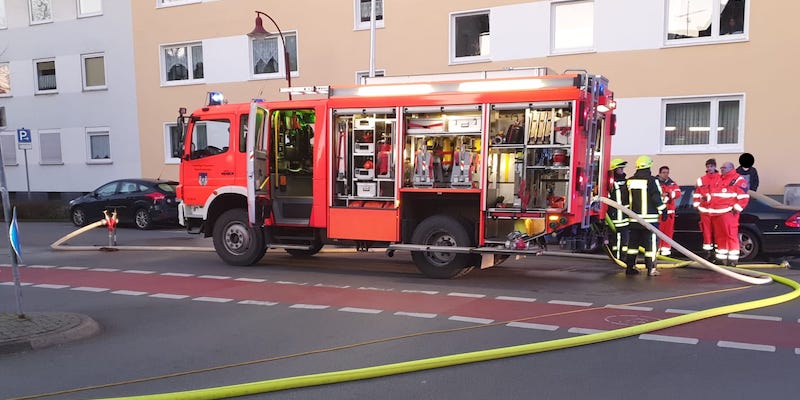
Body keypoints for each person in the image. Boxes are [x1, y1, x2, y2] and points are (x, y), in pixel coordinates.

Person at [624, 156, 666, 276]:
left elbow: (625, 200)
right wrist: (663, 211)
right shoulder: (652, 181)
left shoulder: (629, 181)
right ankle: (651, 269)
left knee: (632, 245)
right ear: (649, 166)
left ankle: (630, 267)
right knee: (651, 245)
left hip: (634, 220)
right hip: (650, 221)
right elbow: (656, 197)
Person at [708, 161, 749, 266]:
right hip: (717, 213)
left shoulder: (738, 180)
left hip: (729, 213)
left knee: (731, 236)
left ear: (731, 168)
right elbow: (715, 196)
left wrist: (736, 209)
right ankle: (721, 259)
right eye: (721, 168)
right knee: (720, 237)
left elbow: (743, 198)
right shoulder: (719, 179)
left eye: (724, 168)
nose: (721, 169)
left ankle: (733, 260)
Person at [693, 159, 720, 261]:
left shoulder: (721, 178)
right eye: (708, 166)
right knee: (707, 233)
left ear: (715, 166)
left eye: (711, 166)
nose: (709, 168)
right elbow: (696, 194)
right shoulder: (701, 180)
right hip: (705, 211)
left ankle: (717, 253)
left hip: (717, 211)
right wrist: (697, 206)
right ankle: (708, 253)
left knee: (718, 233)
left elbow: (721, 195)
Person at [607, 158, 630, 260]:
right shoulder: (610, 183)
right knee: (618, 237)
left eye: (622, 168)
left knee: (623, 238)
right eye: (620, 168)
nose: (622, 170)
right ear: (614, 170)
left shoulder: (626, 181)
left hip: (624, 215)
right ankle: (618, 257)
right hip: (615, 215)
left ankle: (620, 256)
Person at [656, 166, 681, 256]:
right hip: (658, 213)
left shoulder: (672, 183)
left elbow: (678, 193)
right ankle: (657, 250)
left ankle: (666, 251)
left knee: (668, 233)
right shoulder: (655, 183)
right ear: (659, 173)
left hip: (669, 213)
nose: (666, 174)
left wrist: (669, 193)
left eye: (667, 172)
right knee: (658, 232)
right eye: (664, 172)